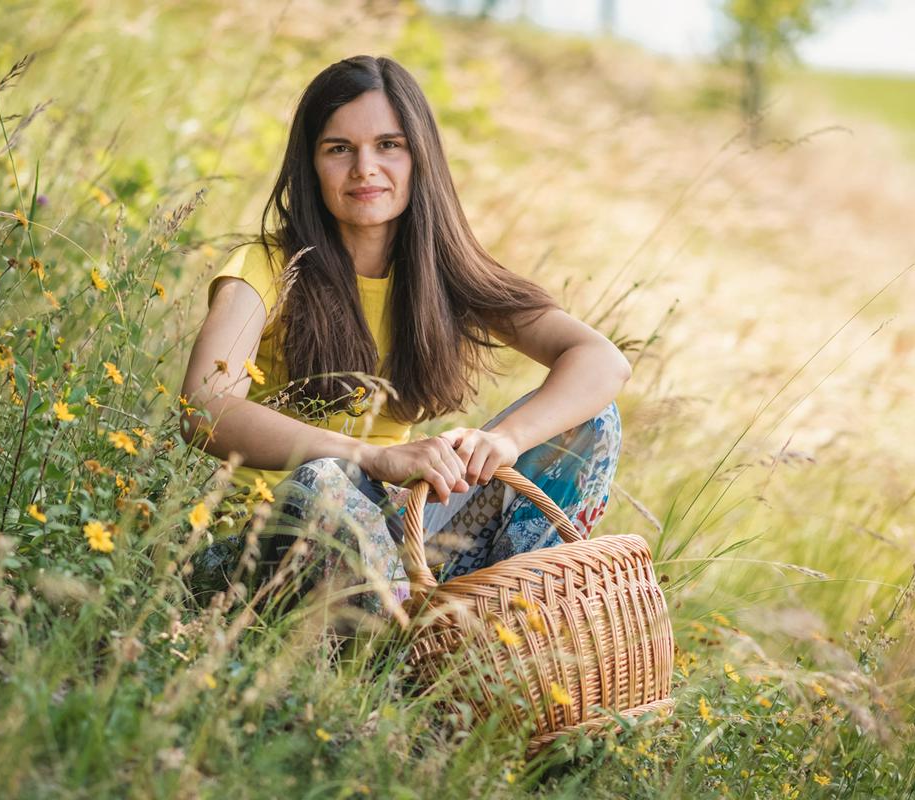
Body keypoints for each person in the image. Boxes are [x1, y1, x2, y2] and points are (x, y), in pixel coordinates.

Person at [179, 55, 630, 618]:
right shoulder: (266, 266)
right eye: (339, 148)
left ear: (420, 159)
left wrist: (507, 441)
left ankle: (497, 632)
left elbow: (600, 360)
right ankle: (374, 654)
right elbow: (204, 406)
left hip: (396, 539)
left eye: (389, 145)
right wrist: (366, 456)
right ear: (310, 165)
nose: (365, 167)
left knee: (592, 421)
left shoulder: (444, 275)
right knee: (328, 479)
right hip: (260, 546)